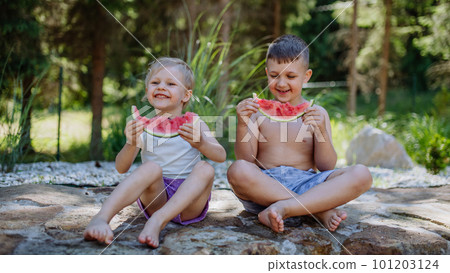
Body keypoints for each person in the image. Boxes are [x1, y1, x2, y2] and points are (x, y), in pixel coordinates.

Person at [227, 34, 372, 233]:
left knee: (362, 174)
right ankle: (316, 211)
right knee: (237, 170)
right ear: (266, 73)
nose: (281, 83)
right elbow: (246, 159)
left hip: (308, 184)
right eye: (274, 75)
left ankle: (286, 207)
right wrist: (243, 125)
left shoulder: (317, 114)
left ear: (306, 76)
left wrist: (320, 130)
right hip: (263, 189)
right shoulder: (255, 112)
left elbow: (326, 166)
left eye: (291, 76)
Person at [84, 57, 226, 248]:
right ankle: (101, 218)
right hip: (155, 197)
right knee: (150, 167)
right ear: (147, 91)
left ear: (186, 95)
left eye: (170, 83)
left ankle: (157, 221)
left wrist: (200, 143)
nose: (161, 87)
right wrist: (131, 143)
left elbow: (220, 155)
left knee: (205, 168)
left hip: (189, 202)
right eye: (155, 82)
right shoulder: (142, 125)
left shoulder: (195, 123)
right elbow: (121, 167)